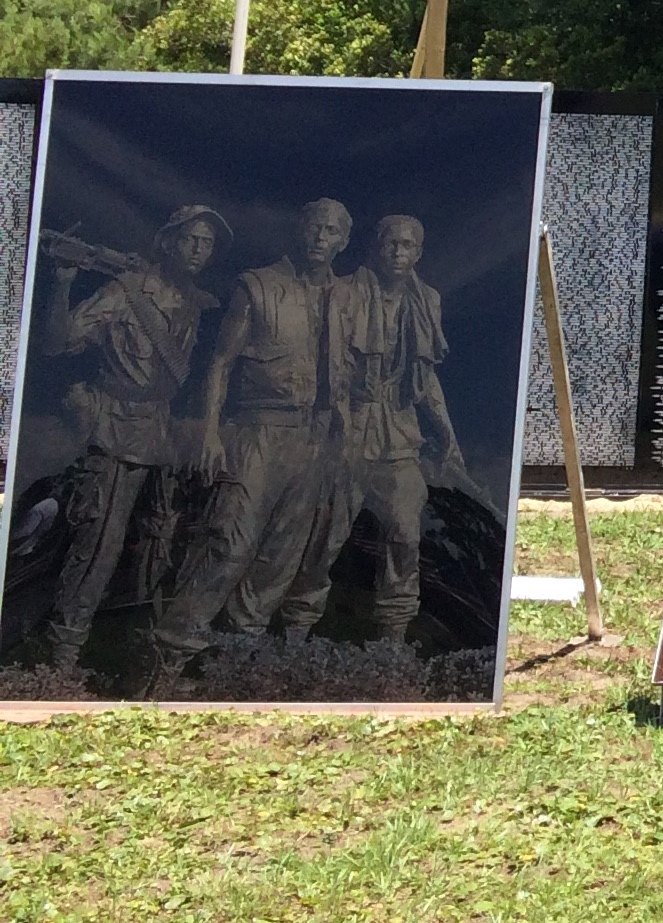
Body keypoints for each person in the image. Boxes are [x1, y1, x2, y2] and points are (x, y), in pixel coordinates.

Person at [149, 197, 362, 676]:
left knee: (280, 557)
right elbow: (220, 362)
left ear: (343, 241)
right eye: (314, 228)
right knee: (230, 543)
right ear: (298, 231)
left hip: (315, 439)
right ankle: (171, 655)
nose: (321, 239)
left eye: (331, 232)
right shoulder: (258, 285)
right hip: (257, 431)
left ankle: (238, 658)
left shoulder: (347, 297)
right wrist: (208, 431)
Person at [33, 205, 228, 670]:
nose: (199, 250)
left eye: (208, 243)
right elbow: (56, 344)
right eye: (191, 239)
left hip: (158, 433)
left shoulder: (194, 302)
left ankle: (129, 648)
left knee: (157, 544)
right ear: (168, 241)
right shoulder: (125, 293)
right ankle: (63, 653)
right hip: (114, 429)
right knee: (99, 545)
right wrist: (61, 283)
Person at [274, 212, 463, 644]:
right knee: (326, 536)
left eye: (407, 245)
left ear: (419, 252)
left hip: (399, 431)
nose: (398, 252)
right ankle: (294, 633)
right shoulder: (345, 292)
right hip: (348, 426)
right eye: (390, 244)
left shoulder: (426, 300)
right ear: (376, 248)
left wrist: (446, 432)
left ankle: (392, 639)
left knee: (404, 535)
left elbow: (425, 374)